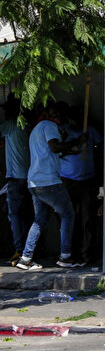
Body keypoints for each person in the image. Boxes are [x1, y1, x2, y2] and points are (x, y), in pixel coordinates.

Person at [17, 102, 83, 270]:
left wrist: (68, 150)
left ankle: (25, 258)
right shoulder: (50, 126)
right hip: (49, 181)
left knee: (39, 220)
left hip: (34, 181)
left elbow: (50, 152)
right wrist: (76, 141)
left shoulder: (37, 129)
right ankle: (65, 256)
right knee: (68, 214)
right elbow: (54, 147)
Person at [59, 106, 102, 265]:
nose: (74, 122)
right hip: (68, 180)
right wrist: (77, 142)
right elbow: (57, 150)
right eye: (72, 119)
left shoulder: (89, 131)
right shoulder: (63, 131)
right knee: (70, 218)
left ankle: (87, 254)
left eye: (78, 119)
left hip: (87, 180)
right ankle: (71, 253)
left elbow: (102, 146)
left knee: (87, 219)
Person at [0, 95, 31, 264]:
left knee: (13, 214)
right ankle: (26, 248)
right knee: (23, 213)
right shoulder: (25, 125)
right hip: (27, 176)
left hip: (15, 177)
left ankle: (19, 250)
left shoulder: (11, 125)